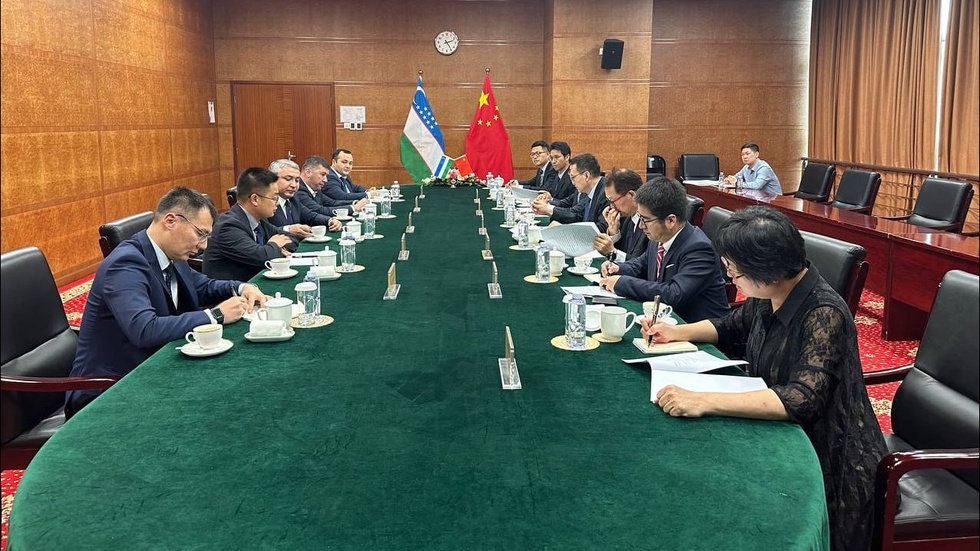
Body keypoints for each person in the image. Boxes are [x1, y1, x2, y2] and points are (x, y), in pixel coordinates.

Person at [641, 205, 886, 551]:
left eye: (734, 270)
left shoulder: (824, 313)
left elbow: (802, 399)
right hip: (780, 433)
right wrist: (676, 332)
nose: (729, 276)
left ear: (767, 271)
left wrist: (702, 400)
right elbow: (729, 326)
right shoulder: (770, 293)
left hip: (831, 461)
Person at [66, 187, 266, 418]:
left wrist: (242, 287)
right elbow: (144, 329)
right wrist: (216, 316)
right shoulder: (125, 264)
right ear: (171, 221)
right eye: (200, 234)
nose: (203, 245)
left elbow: (202, 286)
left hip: (154, 367)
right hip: (109, 390)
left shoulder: (170, 253)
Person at [599, 176, 729, 322]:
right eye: (640, 218)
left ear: (670, 220)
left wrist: (621, 283)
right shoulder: (659, 237)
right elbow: (641, 264)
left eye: (645, 220)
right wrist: (618, 268)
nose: (641, 226)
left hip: (694, 327)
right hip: (664, 320)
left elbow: (674, 294)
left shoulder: (699, 249)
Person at [204, 167, 295, 281]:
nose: (277, 203)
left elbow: (291, 239)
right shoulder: (228, 226)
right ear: (255, 199)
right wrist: (274, 245)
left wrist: (274, 249)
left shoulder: (259, 219)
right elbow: (261, 258)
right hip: (232, 289)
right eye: (274, 198)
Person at [266, 158, 343, 237]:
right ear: (272, 180)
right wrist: (288, 229)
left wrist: (330, 220)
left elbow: (311, 216)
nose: (294, 185)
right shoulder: (265, 202)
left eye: (297, 180)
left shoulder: (293, 199)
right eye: (288, 179)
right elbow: (265, 232)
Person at [532, 153, 608, 231]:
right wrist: (547, 206)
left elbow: (601, 228)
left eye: (573, 177)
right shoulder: (591, 192)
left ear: (586, 176)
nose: (572, 182)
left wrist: (565, 229)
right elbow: (577, 213)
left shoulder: (606, 192)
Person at [593, 168, 650, 261]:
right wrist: (614, 232)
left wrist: (612, 252)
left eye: (613, 201)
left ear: (632, 195)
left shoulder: (650, 222)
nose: (611, 206)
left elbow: (642, 264)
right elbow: (623, 252)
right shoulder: (626, 218)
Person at [295, 155, 368, 215]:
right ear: (308, 172)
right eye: (322, 174)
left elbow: (332, 202)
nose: (325, 180)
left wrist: (354, 202)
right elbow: (319, 210)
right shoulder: (298, 189)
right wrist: (353, 208)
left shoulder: (315, 187)